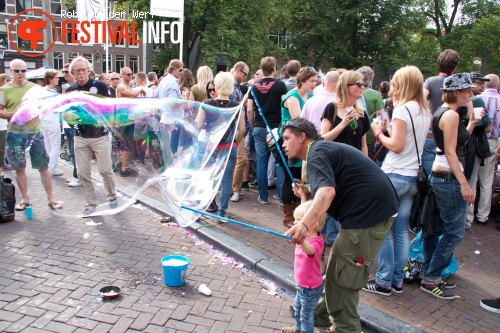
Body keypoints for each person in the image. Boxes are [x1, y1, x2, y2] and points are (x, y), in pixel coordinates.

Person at [282, 118, 398, 333]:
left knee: (342, 286)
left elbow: (327, 192)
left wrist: (305, 226)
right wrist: (306, 195)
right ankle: (316, 319)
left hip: (366, 219)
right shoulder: (320, 150)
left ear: (302, 137)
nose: (283, 144)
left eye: (287, 138)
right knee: (337, 273)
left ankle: (345, 328)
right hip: (369, 215)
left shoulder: (316, 153)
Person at [363, 66, 432, 296]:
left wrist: (378, 133)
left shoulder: (403, 110)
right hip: (413, 177)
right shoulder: (424, 110)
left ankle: (383, 281)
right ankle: (397, 280)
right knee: (401, 231)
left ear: (400, 84)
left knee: (382, 230)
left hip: (395, 175)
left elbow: (397, 146)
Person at [420, 73, 480, 299]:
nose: (470, 95)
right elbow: (450, 151)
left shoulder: (442, 112)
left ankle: (430, 272)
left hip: (440, 176)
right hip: (449, 180)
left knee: (433, 230)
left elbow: (451, 145)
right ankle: (431, 276)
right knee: (454, 233)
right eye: (467, 91)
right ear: (456, 92)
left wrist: (471, 123)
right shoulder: (451, 115)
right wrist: (465, 184)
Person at [0, 59, 61, 211]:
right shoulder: (4, 90)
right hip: (15, 133)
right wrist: (10, 114)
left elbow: (43, 107)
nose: (21, 73)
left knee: (43, 166)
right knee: (19, 168)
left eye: (23, 70)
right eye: (17, 70)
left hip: (34, 133)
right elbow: (0, 111)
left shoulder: (35, 88)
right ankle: (25, 199)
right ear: (11, 71)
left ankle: (51, 199)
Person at [64, 56, 116, 215]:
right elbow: (68, 113)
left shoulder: (99, 86)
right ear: (73, 72)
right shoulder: (70, 91)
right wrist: (68, 117)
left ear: (88, 70)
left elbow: (110, 107)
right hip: (80, 136)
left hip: (100, 135)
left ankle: (112, 196)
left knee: (105, 170)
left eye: (83, 69)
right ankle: (90, 204)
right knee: (83, 173)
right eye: (77, 70)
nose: (81, 72)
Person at [195, 72, 245, 219]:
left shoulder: (207, 104)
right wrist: (235, 141)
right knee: (226, 180)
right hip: (229, 146)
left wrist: (207, 126)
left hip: (212, 146)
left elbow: (198, 125)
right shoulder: (236, 106)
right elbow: (242, 129)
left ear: (216, 86)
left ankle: (206, 205)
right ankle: (222, 211)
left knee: (208, 177)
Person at [280, 67, 317, 228]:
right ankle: (288, 216)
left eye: (316, 81)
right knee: (290, 177)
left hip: (303, 142)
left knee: (299, 178)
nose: (315, 84)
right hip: (292, 142)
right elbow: (299, 122)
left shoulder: (309, 96)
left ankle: (298, 212)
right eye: (312, 81)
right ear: (302, 81)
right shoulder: (292, 97)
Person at [247, 56, 287, 204]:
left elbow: (249, 110)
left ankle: (263, 197)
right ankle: (282, 197)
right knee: (280, 162)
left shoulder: (253, 86)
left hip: (259, 127)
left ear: (262, 69)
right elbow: (284, 106)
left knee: (261, 163)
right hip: (276, 129)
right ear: (274, 69)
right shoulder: (280, 85)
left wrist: (253, 126)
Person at [281, 200, 325, 333]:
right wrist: (302, 196)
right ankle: (298, 329)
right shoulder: (309, 234)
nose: (295, 223)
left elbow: (310, 250)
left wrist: (300, 240)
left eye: (298, 220)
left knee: (306, 316)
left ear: (314, 225)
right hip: (302, 285)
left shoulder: (315, 243)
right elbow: (308, 212)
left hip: (310, 289)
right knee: (297, 308)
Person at [422, 49, 460, 175]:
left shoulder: (431, 81)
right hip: (453, 136)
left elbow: (420, 100)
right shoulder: (459, 83)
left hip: (431, 134)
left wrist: (430, 117)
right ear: (455, 65)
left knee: (430, 174)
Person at [320, 70, 369, 155]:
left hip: (355, 163)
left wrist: (366, 166)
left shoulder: (362, 113)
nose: (362, 87)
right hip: (336, 163)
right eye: (359, 84)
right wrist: (343, 124)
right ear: (346, 86)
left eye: (363, 84)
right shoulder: (332, 108)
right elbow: (322, 139)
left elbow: (363, 145)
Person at [116, 66, 146, 177]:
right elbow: (133, 94)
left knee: (127, 144)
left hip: (128, 118)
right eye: (128, 74)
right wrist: (141, 88)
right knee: (128, 145)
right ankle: (123, 168)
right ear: (122, 75)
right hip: (123, 119)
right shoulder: (122, 87)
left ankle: (122, 165)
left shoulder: (128, 86)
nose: (131, 76)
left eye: (131, 74)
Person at [154, 59, 184, 164]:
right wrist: (183, 100)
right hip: (173, 121)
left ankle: (167, 170)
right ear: (173, 70)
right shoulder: (172, 83)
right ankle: (171, 171)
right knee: (172, 149)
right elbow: (173, 103)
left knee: (166, 149)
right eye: (180, 70)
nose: (182, 72)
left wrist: (163, 107)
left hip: (165, 119)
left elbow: (156, 95)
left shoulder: (164, 80)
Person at [229, 61, 250, 203]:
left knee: (236, 159)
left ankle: (233, 188)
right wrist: (244, 101)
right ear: (238, 71)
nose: (245, 77)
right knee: (240, 159)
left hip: (237, 128)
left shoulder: (236, 86)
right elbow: (231, 107)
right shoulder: (230, 86)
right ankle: (235, 189)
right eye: (245, 74)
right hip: (234, 129)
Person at [357, 66, 384, 159]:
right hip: (369, 136)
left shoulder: (351, 91)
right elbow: (380, 117)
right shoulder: (376, 94)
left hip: (355, 134)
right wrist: (378, 137)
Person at [41, 69, 63, 177]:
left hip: (43, 119)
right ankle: (52, 168)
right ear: (50, 79)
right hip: (52, 119)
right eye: (56, 78)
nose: (58, 79)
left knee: (48, 145)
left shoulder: (42, 91)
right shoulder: (53, 94)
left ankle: (50, 167)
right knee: (55, 145)